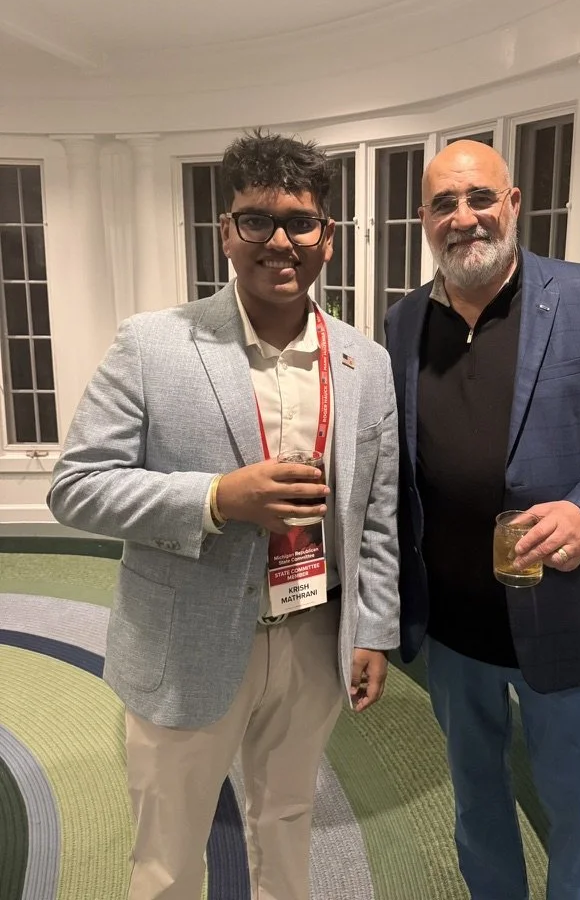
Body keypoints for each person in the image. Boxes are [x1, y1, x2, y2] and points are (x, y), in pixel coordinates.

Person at [48, 130, 400, 900]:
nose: (280, 241)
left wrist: (373, 628)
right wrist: (214, 499)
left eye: (300, 222)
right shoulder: (152, 345)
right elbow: (77, 486)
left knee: (288, 820)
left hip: (313, 635)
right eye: (256, 220)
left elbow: (377, 512)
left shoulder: (365, 363)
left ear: (327, 238)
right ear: (226, 233)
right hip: (186, 637)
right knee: (169, 853)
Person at [385, 139, 580, 900]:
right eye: (445, 204)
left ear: (512, 204)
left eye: (480, 197)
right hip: (454, 633)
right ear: (424, 219)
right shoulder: (403, 321)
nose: (464, 218)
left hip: (565, 619)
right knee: (477, 805)